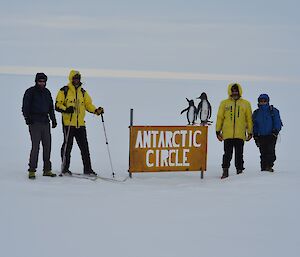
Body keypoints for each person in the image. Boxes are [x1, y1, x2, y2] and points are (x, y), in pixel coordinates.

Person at [55, 70, 104, 176]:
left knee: (84, 147)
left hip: (80, 124)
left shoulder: (83, 92)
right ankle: (65, 168)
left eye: (78, 78)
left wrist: (96, 111)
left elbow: (88, 104)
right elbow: (57, 105)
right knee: (67, 147)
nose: (77, 80)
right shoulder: (64, 90)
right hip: (68, 124)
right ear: (71, 79)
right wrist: (66, 109)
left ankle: (88, 169)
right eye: (75, 78)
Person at [22, 73, 57, 179]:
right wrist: (27, 118)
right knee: (35, 147)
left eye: (43, 81)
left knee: (47, 146)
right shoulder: (30, 92)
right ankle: (32, 170)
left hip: (46, 122)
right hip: (34, 123)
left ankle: (47, 170)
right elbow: (25, 106)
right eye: (40, 81)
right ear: (36, 81)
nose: (42, 83)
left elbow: (51, 107)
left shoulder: (47, 92)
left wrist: (53, 119)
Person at [216, 83, 253, 179]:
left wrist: (250, 131)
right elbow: (220, 118)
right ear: (230, 91)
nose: (235, 92)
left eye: (236, 90)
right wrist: (217, 131)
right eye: (233, 90)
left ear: (239, 91)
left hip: (240, 134)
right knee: (227, 154)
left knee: (239, 154)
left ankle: (239, 170)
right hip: (227, 134)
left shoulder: (246, 104)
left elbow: (249, 119)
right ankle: (225, 171)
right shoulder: (224, 103)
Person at [252, 94, 282, 172]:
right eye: (261, 101)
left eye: (264, 101)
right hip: (261, 136)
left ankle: (269, 166)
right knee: (263, 153)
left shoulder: (273, 111)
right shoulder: (256, 113)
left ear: (267, 101)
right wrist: (255, 135)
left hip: (271, 135)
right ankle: (263, 168)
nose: (263, 102)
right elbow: (254, 125)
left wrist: (275, 132)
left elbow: (277, 122)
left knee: (270, 151)